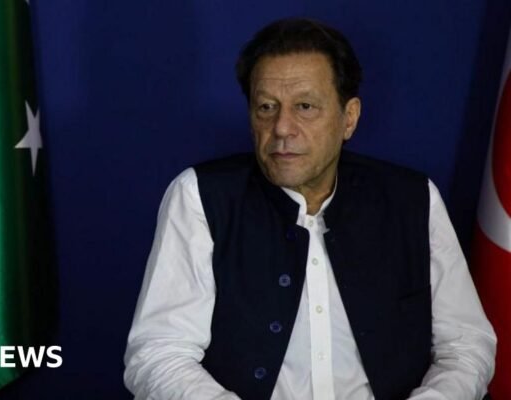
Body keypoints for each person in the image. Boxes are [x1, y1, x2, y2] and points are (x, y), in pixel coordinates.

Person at [123, 18, 496, 400]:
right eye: (266, 107)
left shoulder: (413, 199)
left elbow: (466, 345)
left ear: (349, 118)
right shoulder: (200, 196)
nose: (282, 127)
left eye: (305, 106)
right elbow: (158, 353)